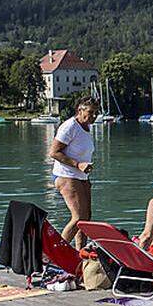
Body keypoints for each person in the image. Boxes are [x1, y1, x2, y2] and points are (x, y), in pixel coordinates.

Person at [48, 97, 99, 249]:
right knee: (78, 217)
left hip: (81, 176)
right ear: (80, 110)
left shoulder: (87, 127)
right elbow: (54, 152)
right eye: (90, 112)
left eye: (96, 113)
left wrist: (84, 172)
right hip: (66, 175)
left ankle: (79, 254)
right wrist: (78, 165)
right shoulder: (69, 126)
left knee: (86, 218)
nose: (94, 116)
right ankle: (56, 254)